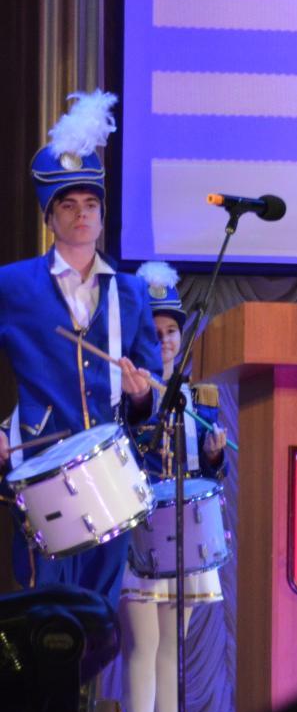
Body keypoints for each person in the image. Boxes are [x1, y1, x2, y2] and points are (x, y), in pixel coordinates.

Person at [0, 91, 160, 602]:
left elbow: (151, 391)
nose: (82, 215)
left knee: (100, 618)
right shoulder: (13, 285)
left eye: (91, 205)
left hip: (111, 478)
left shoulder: (131, 293)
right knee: (45, 617)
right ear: (49, 217)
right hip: (40, 471)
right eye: (67, 206)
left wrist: (141, 395)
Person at [119, 260, 228, 712]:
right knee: (143, 647)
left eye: (171, 332)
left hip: (183, 530)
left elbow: (210, 478)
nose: (164, 341)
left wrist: (215, 455)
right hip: (141, 529)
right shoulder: (123, 393)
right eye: (154, 332)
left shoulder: (199, 397)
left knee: (172, 648)